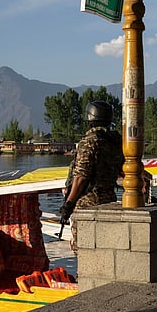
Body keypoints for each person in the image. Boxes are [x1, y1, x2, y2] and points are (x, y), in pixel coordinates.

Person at [59, 100, 125, 254]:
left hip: (88, 203)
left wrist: (68, 204)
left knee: (83, 249)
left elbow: (81, 177)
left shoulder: (90, 141)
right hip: (109, 199)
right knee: (106, 246)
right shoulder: (117, 141)